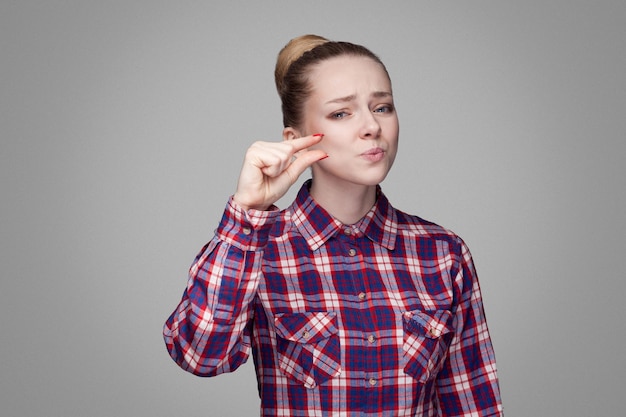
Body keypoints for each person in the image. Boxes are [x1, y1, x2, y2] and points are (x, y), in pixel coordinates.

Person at [163, 34, 503, 416]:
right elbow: (199, 356)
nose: (371, 126)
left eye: (383, 107)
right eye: (342, 113)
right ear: (298, 140)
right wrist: (247, 212)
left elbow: (472, 403)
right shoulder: (256, 248)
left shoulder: (443, 253)